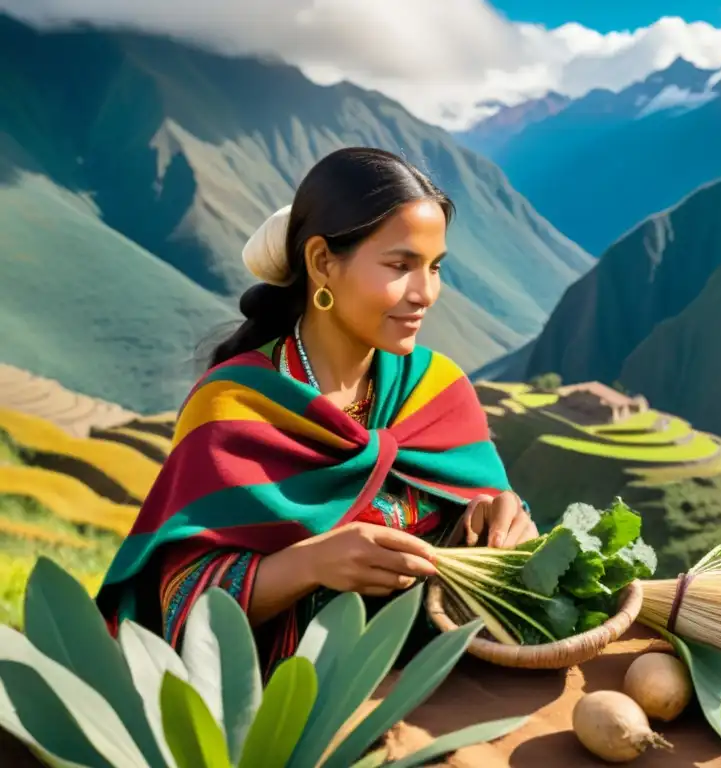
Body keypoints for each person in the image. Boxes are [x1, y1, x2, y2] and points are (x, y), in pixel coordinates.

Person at [96, 147, 538, 673]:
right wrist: (309, 564)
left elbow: (485, 518)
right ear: (322, 262)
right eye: (400, 266)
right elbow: (182, 604)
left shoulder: (439, 391)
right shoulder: (233, 409)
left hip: (447, 680)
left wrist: (506, 522)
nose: (426, 293)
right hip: (290, 709)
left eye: (435, 267)